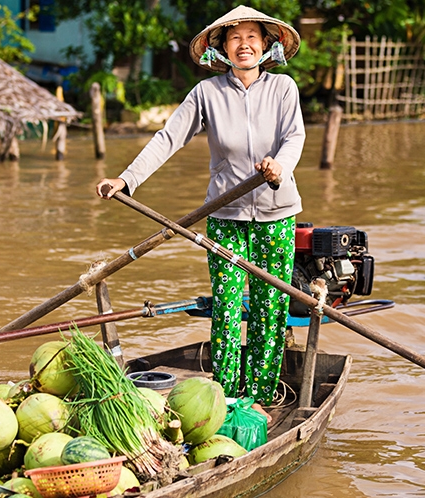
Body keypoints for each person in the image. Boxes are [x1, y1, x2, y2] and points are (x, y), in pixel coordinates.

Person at [95, 6, 305, 416]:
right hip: (225, 216)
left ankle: (261, 397)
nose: (243, 45)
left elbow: (293, 137)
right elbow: (168, 138)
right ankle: (224, 397)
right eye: (234, 38)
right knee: (226, 305)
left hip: (277, 213)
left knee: (269, 306)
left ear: (266, 45)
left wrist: (279, 167)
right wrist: (126, 179)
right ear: (222, 48)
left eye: (251, 37)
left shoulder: (283, 89)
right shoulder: (207, 93)